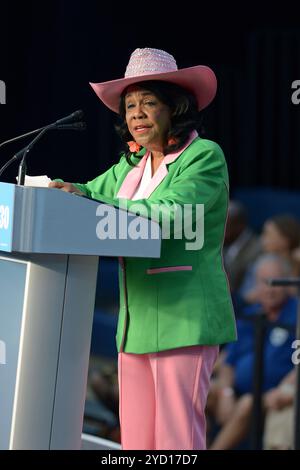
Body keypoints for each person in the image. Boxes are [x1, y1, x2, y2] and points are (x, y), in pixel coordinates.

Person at [49, 47, 236, 450]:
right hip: (134, 325)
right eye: (130, 105)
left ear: (175, 109)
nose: (135, 113)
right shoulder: (131, 166)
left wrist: (94, 201)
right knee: (137, 443)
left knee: (176, 442)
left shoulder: (203, 157)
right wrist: (61, 191)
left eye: (149, 103)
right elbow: (90, 192)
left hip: (184, 318)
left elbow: (172, 212)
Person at [207, 254, 297, 450]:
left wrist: (285, 389)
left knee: (248, 403)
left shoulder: (296, 313)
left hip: (272, 395)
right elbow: (229, 362)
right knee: (199, 393)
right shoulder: (251, 314)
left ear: (287, 281)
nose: (270, 289)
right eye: (264, 282)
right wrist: (226, 392)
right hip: (237, 391)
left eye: (275, 282)